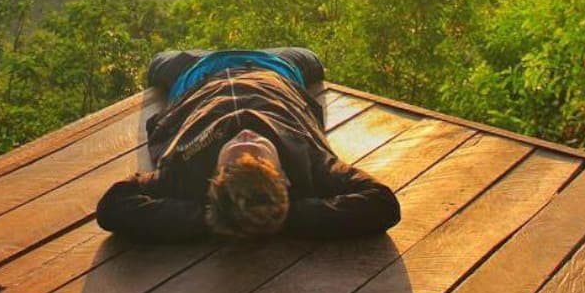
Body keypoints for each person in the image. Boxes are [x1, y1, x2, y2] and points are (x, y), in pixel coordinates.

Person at [95, 47, 401, 241]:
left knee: (158, 62)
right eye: (259, 152)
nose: (245, 137)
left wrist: (214, 217)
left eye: (232, 157)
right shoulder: (310, 162)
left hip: (194, 73)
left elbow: (114, 206)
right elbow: (381, 203)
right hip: (275, 67)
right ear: (284, 177)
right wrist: (280, 216)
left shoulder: (186, 174)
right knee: (311, 59)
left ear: (215, 177)